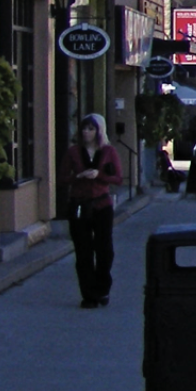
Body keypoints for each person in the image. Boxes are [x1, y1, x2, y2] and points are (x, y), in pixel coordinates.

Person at [68, 114, 124, 307]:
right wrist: (79, 176)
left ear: (99, 131)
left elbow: (118, 178)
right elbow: (61, 178)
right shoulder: (74, 152)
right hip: (80, 205)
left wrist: (99, 174)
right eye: (84, 128)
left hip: (102, 205)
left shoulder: (108, 151)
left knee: (104, 250)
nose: (86, 132)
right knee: (83, 252)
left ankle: (102, 289)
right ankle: (88, 295)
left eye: (91, 129)